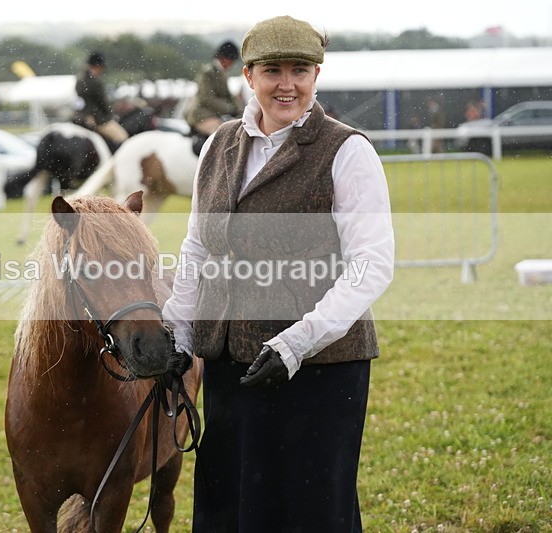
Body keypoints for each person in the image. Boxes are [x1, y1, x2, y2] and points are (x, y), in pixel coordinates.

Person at [162, 15, 395, 532]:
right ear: (248, 76)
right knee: (231, 510)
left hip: (321, 368)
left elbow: (372, 264)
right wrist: (177, 330)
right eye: (272, 70)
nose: (286, 84)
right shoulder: (217, 145)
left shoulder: (347, 150)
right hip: (230, 362)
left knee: (310, 513)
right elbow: (198, 247)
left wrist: (296, 342)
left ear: (317, 75)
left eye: (300, 70)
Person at [186, 41, 243, 137]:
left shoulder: (222, 73)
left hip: (215, 114)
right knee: (223, 135)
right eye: (232, 61)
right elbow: (207, 98)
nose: (232, 64)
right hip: (201, 115)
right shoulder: (207, 73)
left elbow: (229, 96)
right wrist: (229, 109)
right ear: (224, 58)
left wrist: (240, 110)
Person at [73, 51, 129, 150]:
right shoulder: (95, 81)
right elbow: (103, 103)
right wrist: (111, 115)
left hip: (79, 116)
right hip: (97, 118)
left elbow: (80, 99)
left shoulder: (79, 78)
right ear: (98, 66)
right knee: (123, 137)